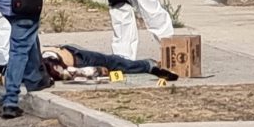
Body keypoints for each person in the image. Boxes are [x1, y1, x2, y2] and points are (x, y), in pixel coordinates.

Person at [41, 45, 179, 82]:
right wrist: (97, 71)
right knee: (115, 63)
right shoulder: (53, 70)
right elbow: (73, 73)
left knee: (116, 63)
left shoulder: (46, 67)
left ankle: (148, 65)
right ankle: (149, 65)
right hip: (78, 59)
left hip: (74, 56)